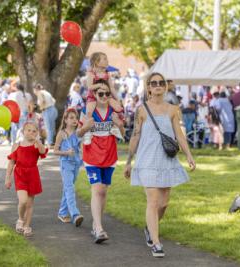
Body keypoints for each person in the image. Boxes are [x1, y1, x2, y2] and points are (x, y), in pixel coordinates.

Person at [124, 72, 196, 258]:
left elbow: (179, 135)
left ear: (165, 87)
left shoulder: (173, 109)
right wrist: (128, 162)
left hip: (167, 159)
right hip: (146, 160)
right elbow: (136, 135)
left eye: (160, 83)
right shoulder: (141, 110)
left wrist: (188, 155)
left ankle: (150, 228)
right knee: (153, 201)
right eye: (153, 83)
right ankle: (156, 243)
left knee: (163, 204)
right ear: (148, 88)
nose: (157, 85)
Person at [77, 80, 125, 244]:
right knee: (97, 189)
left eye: (107, 93)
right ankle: (98, 228)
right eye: (100, 93)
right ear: (94, 95)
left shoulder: (114, 111)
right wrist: (86, 127)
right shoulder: (87, 111)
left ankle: (97, 224)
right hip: (92, 156)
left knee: (103, 191)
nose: (104, 96)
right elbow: (78, 133)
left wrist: (120, 125)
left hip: (110, 156)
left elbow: (123, 134)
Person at [5, 121, 48, 237]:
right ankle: (20, 219)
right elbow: (11, 163)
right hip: (20, 174)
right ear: (23, 132)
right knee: (23, 201)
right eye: (28, 130)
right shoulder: (17, 145)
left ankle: (27, 225)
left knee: (29, 203)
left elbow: (43, 151)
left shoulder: (36, 144)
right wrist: (7, 178)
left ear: (37, 133)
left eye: (34, 131)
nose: (31, 133)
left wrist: (38, 140)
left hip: (32, 175)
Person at [54, 108, 84, 226]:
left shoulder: (78, 133)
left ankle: (62, 212)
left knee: (67, 188)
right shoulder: (62, 134)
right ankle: (75, 214)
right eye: (71, 118)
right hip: (65, 164)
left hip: (76, 163)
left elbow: (82, 148)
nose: (74, 120)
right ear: (65, 120)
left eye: (76, 118)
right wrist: (65, 152)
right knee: (70, 188)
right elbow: (55, 151)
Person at [85, 52, 123, 144]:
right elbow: (89, 87)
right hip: (93, 97)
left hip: (107, 95)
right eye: (104, 59)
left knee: (118, 107)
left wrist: (117, 99)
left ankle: (114, 127)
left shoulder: (107, 74)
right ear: (97, 62)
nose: (107, 61)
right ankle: (88, 132)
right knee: (89, 111)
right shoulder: (91, 74)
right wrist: (99, 85)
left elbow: (112, 88)